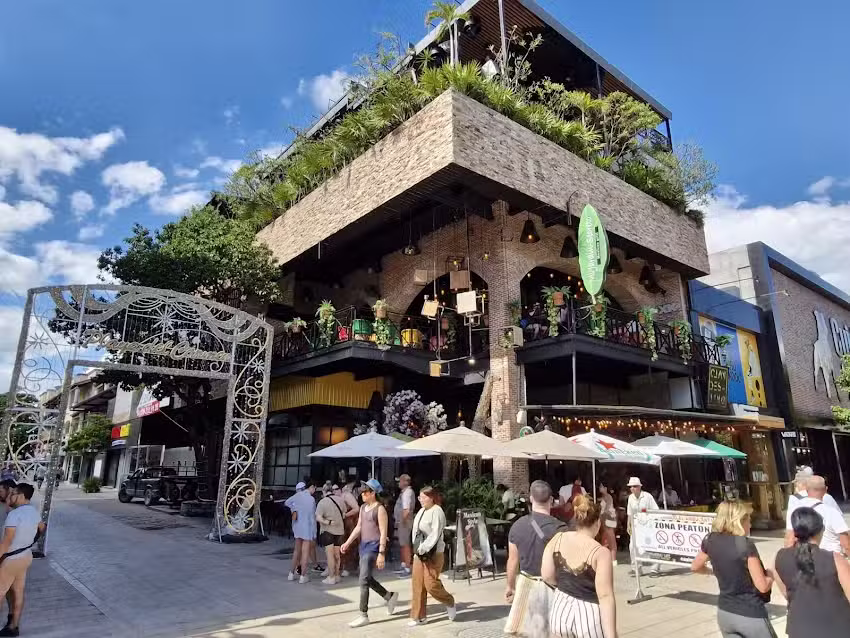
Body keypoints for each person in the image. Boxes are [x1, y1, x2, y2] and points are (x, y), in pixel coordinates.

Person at [691, 501, 776, 638]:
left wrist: (714, 572)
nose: (751, 524)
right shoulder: (745, 544)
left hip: (725, 613)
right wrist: (772, 573)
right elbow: (763, 586)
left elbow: (695, 567)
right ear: (739, 521)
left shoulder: (710, 540)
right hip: (750, 614)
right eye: (748, 519)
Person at [542, 494, 617, 638]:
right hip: (589, 614)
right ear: (597, 523)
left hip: (560, 608)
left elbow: (546, 575)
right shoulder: (601, 553)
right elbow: (605, 596)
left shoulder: (558, 538)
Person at [774, 506, 850, 637]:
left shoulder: (779, 557)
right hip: (836, 629)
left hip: (799, 629)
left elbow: (787, 593)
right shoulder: (835, 559)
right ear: (821, 531)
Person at [504, 480, 566, 635]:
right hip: (554, 588)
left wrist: (510, 586)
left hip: (526, 586)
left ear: (531, 498)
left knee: (526, 632)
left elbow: (512, 561)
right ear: (551, 500)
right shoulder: (561, 529)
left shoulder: (517, 526)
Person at [341, 479, 398, 628]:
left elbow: (384, 531)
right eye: (361, 492)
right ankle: (389, 596)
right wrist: (347, 542)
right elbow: (359, 527)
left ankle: (363, 614)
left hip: (374, 546)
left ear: (373, 493)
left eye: (365, 492)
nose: (362, 494)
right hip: (363, 546)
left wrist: (382, 553)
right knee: (366, 578)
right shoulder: (362, 508)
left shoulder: (380, 509)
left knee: (363, 580)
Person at [408, 486, 455, 626]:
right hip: (419, 553)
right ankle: (418, 616)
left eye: (423, 497)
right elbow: (415, 532)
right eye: (419, 497)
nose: (421, 500)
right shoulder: (421, 511)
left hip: (434, 553)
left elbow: (435, 533)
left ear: (431, 497)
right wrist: (416, 548)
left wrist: (424, 547)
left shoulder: (437, 511)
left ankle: (449, 601)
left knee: (431, 584)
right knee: (417, 585)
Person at [0, 484, 42, 637]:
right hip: (25, 555)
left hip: (11, 559)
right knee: (18, 592)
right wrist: (29, 542)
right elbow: (42, 527)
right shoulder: (33, 511)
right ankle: (14, 627)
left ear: (22, 496)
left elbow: (6, 542)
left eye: (14, 493)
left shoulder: (14, 515)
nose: (10, 496)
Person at [783, 475, 849, 555]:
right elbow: (846, 544)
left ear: (806, 490)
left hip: (806, 559)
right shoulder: (832, 511)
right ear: (825, 490)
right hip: (831, 559)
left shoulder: (795, 510)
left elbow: (790, 539)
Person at [284, 481, 317, 584]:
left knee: (296, 551)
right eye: (314, 488)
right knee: (305, 552)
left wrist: (294, 509)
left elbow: (286, 503)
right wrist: (314, 532)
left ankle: (291, 573)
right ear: (310, 487)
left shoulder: (297, 496)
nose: (314, 491)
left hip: (297, 526)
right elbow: (313, 517)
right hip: (307, 527)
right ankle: (303, 576)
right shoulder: (311, 499)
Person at [626, 477, 659, 576]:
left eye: (635, 486)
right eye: (631, 486)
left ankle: (655, 568)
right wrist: (628, 524)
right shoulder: (630, 498)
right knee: (632, 546)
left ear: (640, 487)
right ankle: (636, 568)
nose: (632, 488)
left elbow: (655, 510)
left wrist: (652, 523)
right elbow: (630, 512)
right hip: (636, 524)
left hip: (648, 524)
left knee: (651, 546)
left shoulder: (647, 496)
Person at [316, 484, 347, 585]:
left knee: (330, 555)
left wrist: (327, 522)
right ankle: (337, 575)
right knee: (337, 554)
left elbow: (318, 517)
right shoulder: (340, 500)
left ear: (324, 491)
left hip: (327, 531)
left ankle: (331, 577)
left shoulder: (322, 502)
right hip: (340, 531)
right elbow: (344, 514)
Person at [394, 474, 416, 577]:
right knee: (402, 544)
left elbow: (406, 510)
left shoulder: (407, 493)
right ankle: (404, 564)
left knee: (405, 544)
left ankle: (407, 568)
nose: (398, 483)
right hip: (403, 522)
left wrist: (401, 521)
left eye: (400, 481)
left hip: (405, 522)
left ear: (405, 482)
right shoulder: (404, 493)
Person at [340, 476, 361, 578]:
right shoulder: (348, 493)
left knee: (349, 543)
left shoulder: (347, 494)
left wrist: (345, 515)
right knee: (346, 543)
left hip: (349, 522)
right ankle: (345, 566)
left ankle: (347, 567)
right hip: (348, 522)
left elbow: (356, 508)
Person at [598, 484, 618, 564]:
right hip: (605, 519)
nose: (600, 488)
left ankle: (613, 560)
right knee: (605, 538)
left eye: (601, 487)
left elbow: (607, 508)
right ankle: (608, 559)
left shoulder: (608, 497)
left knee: (611, 538)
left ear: (605, 488)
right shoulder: (603, 497)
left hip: (609, 518)